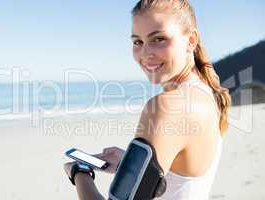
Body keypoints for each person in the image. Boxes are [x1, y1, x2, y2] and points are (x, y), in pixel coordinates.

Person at [63, 0, 231, 199]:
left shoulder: (168, 106)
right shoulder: (205, 93)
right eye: (137, 42)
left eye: (158, 39)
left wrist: (80, 173)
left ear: (191, 40)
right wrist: (131, 163)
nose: (145, 54)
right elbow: (181, 175)